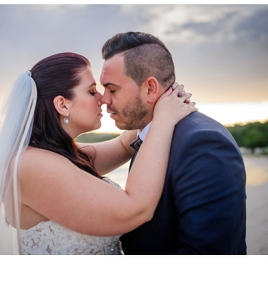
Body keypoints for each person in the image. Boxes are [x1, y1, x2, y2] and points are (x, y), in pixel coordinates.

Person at [0, 52, 196, 255]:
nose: (102, 98)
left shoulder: (62, 156)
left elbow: (123, 145)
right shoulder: (33, 165)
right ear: (62, 104)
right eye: (91, 91)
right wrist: (165, 119)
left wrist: (153, 99)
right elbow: (136, 208)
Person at [101, 32, 247, 254]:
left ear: (150, 88)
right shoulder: (147, 131)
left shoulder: (203, 144)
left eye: (112, 89)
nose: (104, 99)